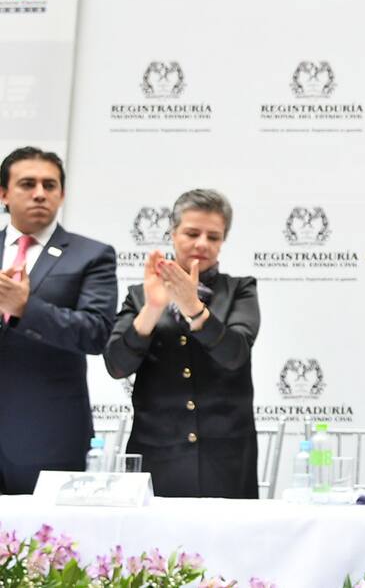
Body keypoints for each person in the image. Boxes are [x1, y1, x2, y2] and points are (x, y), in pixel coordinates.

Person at [104, 189, 261, 498]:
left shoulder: (240, 290)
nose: (202, 243)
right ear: (173, 233)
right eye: (192, 233)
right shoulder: (139, 295)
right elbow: (117, 365)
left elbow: (235, 355)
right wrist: (152, 308)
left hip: (226, 457)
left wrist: (194, 308)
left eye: (213, 237)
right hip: (157, 452)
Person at [0, 146, 118, 494]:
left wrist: (26, 308)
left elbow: (96, 333)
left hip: (48, 433)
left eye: (49, 185)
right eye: (27, 184)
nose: (40, 193)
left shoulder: (91, 255)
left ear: (62, 195)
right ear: (3, 193)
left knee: (44, 531)